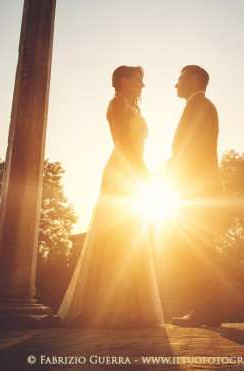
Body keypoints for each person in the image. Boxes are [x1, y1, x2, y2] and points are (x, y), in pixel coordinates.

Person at [57, 66, 164, 328]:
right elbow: (123, 142)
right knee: (117, 237)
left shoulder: (133, 107)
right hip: (120, 172)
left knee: (130, 238)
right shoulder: (117, 104)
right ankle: (108, 309)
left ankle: (130, 308)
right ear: (124, 80)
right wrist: (144, 173)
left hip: (134, 172)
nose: (143, 85)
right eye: (139, 80)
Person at [163, 65, 225, 327]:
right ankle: (209, 311)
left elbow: (190, 149)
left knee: (199, 252)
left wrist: (166, 173)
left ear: (194, 79)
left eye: (179, 79)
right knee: (201, 251)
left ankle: (206, 311)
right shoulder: (200, 106)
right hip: (198, 189)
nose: (175, 84)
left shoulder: (199, 106)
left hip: (199, 191)